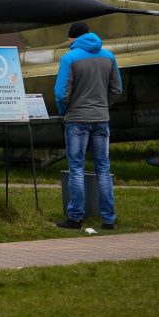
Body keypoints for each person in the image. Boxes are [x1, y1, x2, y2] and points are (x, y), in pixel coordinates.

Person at [54, 21, 121, 230]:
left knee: (76, 168)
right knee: (103, 168)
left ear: (73, 38)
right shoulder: (109, 56)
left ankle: (75, 218)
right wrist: (103, 106)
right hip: (101, 119)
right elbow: (116, 89)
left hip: (77, 120)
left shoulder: (69, 58)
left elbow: (60, 93)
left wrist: (64, 112)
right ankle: (108, 220)